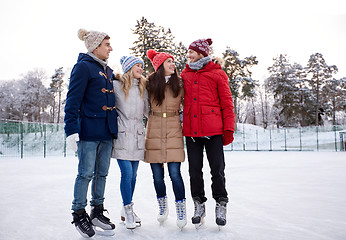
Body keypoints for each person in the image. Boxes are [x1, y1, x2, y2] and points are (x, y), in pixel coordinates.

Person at [64, 28, 118, 238]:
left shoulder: (108, 71)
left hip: (106, 132)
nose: (110, 48)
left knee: (102, 174)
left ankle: (97, 212)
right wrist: (71, 130)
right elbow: (72, 100)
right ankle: (79, 213)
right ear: (95, 47)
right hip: (88, 131)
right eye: (107, 45)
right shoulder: (83, 68)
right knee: (85, 174)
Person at [181, 38, 235, 227]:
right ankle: (199, 204)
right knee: (194, 171)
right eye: (188, 52)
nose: (189, 55)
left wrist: (228, 128)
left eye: (192, 52)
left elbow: (227, 103)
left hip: (214, 130)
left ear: (202, 53)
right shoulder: (185, 75)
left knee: (217, 170)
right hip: (192, 131)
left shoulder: (217, 74)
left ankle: (221, 203)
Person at [145, 49, 187, 229]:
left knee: (175, 173)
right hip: (154, 128)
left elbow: (189, 104)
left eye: (173, 61)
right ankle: (163, 207)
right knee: (156, 176)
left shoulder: (180, 83)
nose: (173, 64)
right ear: (160, 65)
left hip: (173, 130)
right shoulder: (149, 83)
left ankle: (181, 208)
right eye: (169, 61)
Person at [111, 56, 149, 230]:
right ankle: (128, 210)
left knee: (133, 176)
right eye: (137, 66)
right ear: (128, 68)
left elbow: (149, 111)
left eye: (142, 66)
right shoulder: (116, 86)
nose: (141, 68)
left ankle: (126, 206)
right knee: (126, 174)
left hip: (138, 137)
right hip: (122, 135)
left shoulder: (143, 88)